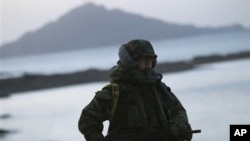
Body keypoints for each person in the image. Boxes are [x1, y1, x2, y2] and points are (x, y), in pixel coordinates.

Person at [78, 39, 193, 141]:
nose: (148, 63)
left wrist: (178, 126)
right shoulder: (115, 92)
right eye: (143, 59)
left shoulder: (159, 89)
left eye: (150, 59)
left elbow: (178, 111)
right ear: (130, 62)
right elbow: (86, 120)